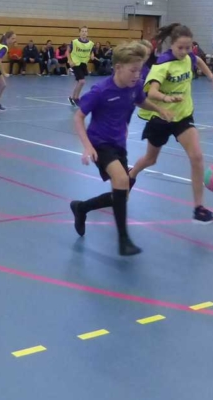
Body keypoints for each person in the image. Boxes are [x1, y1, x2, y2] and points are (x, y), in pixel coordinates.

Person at [70, 41, 173, 256]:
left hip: (119, 144)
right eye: (133, 70)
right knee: (122, 180)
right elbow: (78, 117)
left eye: (140, 70)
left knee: (121, 195)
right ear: (118, 68)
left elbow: (140, 101)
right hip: (99, 143)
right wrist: (87, 146)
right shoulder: (101, 90)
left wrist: (159, 109)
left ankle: (81, 207)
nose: (137, 75)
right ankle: (124, 241)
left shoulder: (134, 86)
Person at [128, 23, 213, 224]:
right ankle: (131, 174)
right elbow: (151, 92)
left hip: (183, 117)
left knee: (197, 157)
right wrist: (166, 98)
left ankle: (199, 209)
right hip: (161, 117)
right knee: (150, 159)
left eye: (188, 47)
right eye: (180, 47)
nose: (184, 51)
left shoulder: (189, 58)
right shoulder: (162, 64)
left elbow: (199, 61)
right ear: (172, 45)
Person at [68, 27, 96, 106]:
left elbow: (91, 52)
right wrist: (70, 61)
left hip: (83, 64)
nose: (84, 33)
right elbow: (67, 52)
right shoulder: (74, 42)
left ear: (87, 33)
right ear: (79, 33)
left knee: (79, 82)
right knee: (82, 81)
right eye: (82, 31)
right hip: (75, 63)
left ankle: (72, 97)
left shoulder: (90, 43)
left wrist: (92, 55)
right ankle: (76, 98)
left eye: (85, 31)